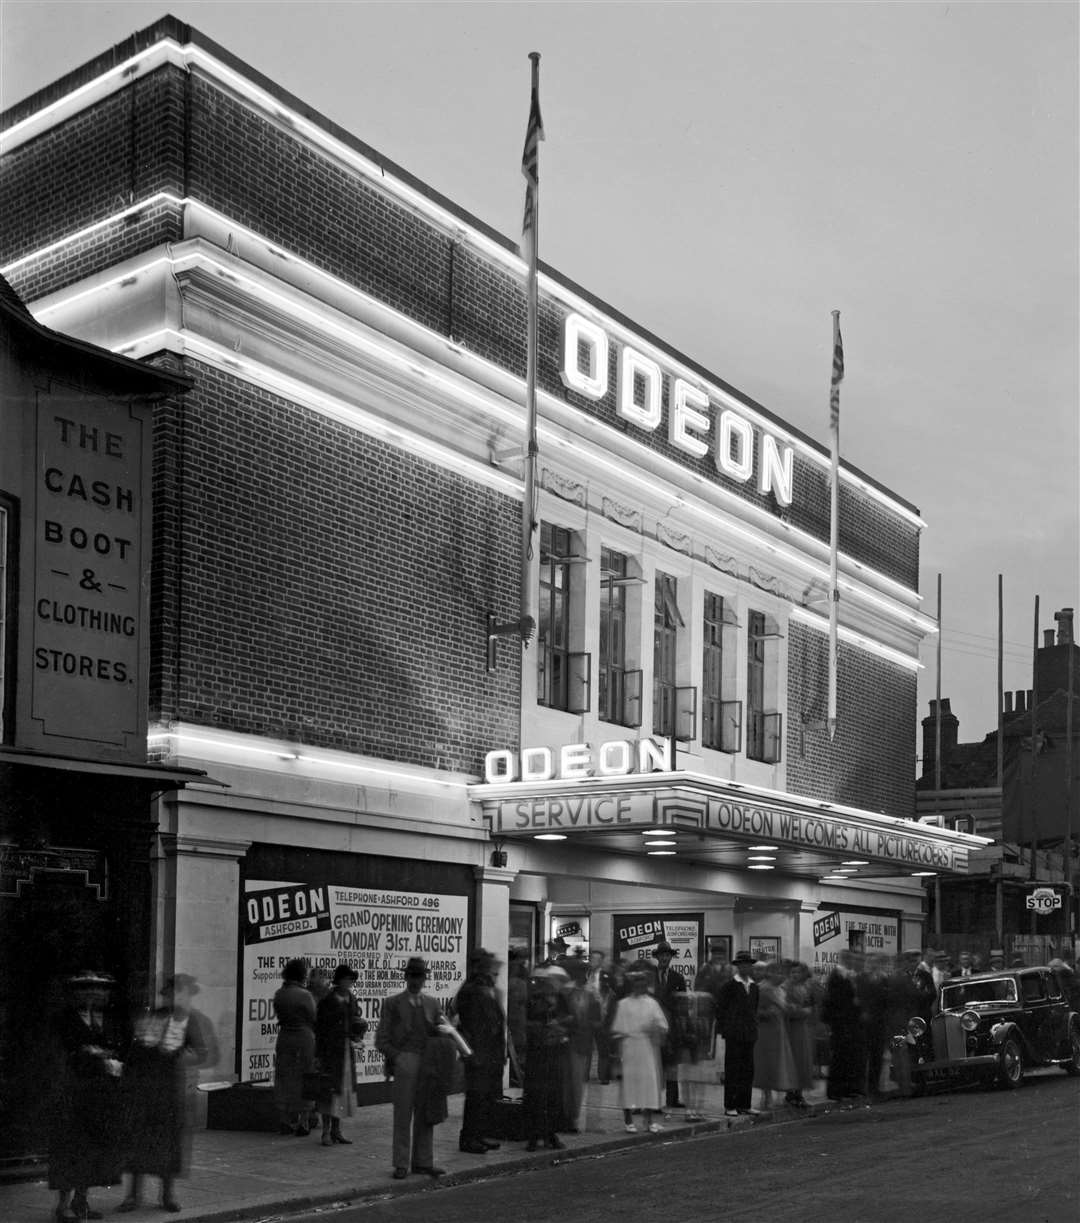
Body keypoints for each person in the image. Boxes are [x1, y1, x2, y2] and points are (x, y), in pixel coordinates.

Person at [118, 973, 217, 1213]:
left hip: (170, 1086)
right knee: (140, 1140)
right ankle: (133, 1195)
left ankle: (167, 1195)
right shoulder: (153, 1016)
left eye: (180, 993)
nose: (175, 997)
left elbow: (203, 1053)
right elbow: (137, 1049)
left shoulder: (190, 1020)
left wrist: (178, 1056)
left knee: (168, 1142)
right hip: (146, 1086)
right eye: (172, 993)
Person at [48, 970, 125, 1223]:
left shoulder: (107, 1019)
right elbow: (60, 1053)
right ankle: (62, 1206)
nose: (94, 994)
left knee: (92, 1150)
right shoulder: (64, 1019)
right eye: (87, 990)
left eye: (100, 990)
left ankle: (81, 1200)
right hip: (73, 1093)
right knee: (71, 1149)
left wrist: (111, 1060)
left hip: (100, 1095)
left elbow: (119, 1047)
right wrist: (94, 1056)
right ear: (76, 994)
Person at [374, 957, 447, 1180]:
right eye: (412, 976)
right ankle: (401, 1163)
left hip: (428, 1064)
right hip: (406, 1062)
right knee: (403, 1115)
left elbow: (443, 1031)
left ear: (425, 978)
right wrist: (398, 1058)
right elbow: (381, 1039)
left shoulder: (433, 1004)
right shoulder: (393, 1003)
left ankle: (423, 1162)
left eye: (420, 976)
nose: (416, 981)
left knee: (426, 1113)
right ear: (406, 978)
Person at [453, 948, 506, 1154]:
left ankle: (479, 1134)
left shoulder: (483, 988)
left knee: (484, 1097)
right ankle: (469, 1138)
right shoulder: (473, 989)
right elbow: (474, 1024)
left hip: (488, 1051)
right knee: (476, 1097)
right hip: (479, 1052)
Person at [313, 963, 367, 1147]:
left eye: (351, 980)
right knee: (329, 1090)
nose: (349, 982)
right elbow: (319, 1028)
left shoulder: (351, 998)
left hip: (345, 1050)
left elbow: (354, 1021)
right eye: (347, 979)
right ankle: (326, 1131)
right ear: (339, 980)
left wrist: (357, 1033)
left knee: (342, 1091)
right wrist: (318, 1054)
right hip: (331, 1050)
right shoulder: (328, 1000)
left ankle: (337, 1130)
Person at [609, 967, 668, 1134]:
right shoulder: (623, 1004)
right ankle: (628, 1120)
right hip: (629, 1047)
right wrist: (618, 1053)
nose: (639, 987)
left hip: (647, 1047)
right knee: (629, 1083)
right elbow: (618, 1030)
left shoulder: (652, 1003)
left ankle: (648, 1121)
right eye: (636, 983)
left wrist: (654, 1028)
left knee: (648, 1083)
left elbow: (663, 1024)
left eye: (642, 983)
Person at [522, 975, 573, 1150]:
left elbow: (569, 1020)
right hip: (540, 1054)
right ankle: (536, 1135)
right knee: (539, 1096)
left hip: (551, 1053)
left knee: (551, 1097)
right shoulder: (535, 1002)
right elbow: (528, 1024)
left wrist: (559, 1026)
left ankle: (548, 1134)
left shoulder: (559, 1001)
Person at [272, 959, 316, 1136]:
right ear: (301, 975)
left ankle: (285, 1119)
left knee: (284, 1076)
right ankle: (304, 1121)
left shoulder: (279, 994)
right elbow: (313, 1017)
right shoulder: (305, 995)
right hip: (304, 1038)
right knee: (306, 1077)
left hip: (284, 1037)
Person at [715, 950, 760, 1117]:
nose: (746, 967)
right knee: (733, 1070)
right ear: (738, 966)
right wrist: (727, 1028)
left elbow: (754, 1009)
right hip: (734, 1034)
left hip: (749, 1034)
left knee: (748, 1070)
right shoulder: (729, 986)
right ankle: (730, 1105)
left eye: (748, 964)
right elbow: (720, 1010)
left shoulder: (754, 987)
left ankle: (745, 1104)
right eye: (743, 964)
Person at [822, 950, 867, 1107]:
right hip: (840, 1023)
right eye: (850, 959)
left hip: (851, 1023)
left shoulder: (849, 975)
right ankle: (835, 1091)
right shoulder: (836, 976)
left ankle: (849, 1088)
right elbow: (834, 1001)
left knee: (850, 1057)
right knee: (839, 1058)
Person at [563, 958, 603, 1131]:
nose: (585, 976)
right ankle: (566, 1118)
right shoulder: (567, 992)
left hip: (581, 1043)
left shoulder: (590, 994)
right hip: (568, 1043)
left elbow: (597, 1019)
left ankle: (573, 1118)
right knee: (567, 1084)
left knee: (577, 1084)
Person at [752, 961, 797, 1111]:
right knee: (767, 1063)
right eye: (778, 973)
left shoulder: (779, 990)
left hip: (778, 1030)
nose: (781, 976)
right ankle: (767, 1096)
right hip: (766, 1031)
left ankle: (775, 1094)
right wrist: (766, 1013)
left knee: (777, 1063)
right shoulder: (763, 988)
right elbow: (754, 1010)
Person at [652, 941, 687, 1111]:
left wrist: (681, 1026)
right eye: (662, 955)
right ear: (657, 957)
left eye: (668, 955)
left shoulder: (677, 978)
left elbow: (682, 1003)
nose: (665, 958)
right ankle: (654, 1100)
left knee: (672, 1063)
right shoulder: (649, 976)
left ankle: (672, 1098)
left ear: (671, 958)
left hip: (672, 1026)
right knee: (654, 1063)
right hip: (653, 1028)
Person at [858, 953, 891, 1100]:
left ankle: (874, 1086)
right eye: (871, 962)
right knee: (864, 1056)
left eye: (876, 962)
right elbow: (859, 998)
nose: (873, 964)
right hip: (865, 1023)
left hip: (880, 1022)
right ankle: (863, 1087)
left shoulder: (884, 979)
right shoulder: (861, 979)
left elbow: (887, 1000)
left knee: (877, 1056)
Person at [784, 961, 816, 1109]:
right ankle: (791, 1094)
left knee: (802, 1060)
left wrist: (806, 1011)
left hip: (802, 1028)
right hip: (792, 1028)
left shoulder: (805, 987)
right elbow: (786, 1008)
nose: (795, 975)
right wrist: (801, 1011)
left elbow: (810, 1005)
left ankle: (799, 1093)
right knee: (794, 1060)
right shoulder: (786, 988)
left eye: (797, 972)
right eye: (792, 973)